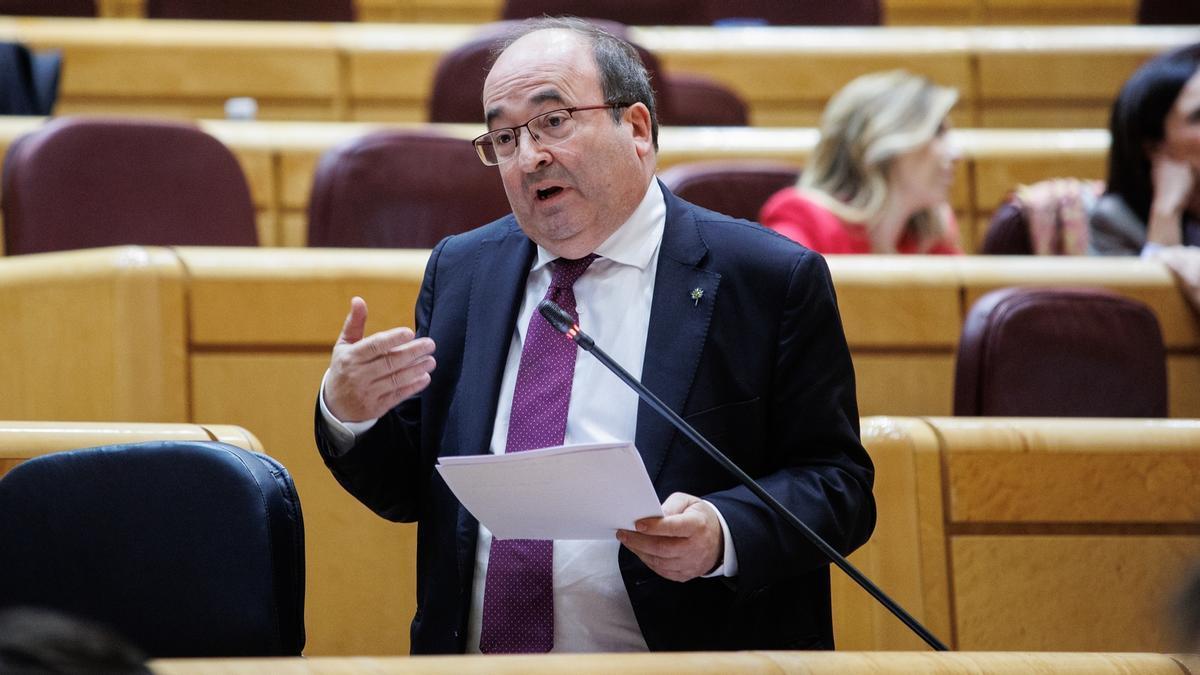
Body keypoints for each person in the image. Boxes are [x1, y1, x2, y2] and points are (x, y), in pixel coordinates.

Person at [315, 17, 875, 654]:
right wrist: (349, 415)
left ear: (635, 128)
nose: (529, 157)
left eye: (554, 121)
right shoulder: (463, 271)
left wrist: (723, 532)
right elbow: (412, 489)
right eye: (504, 137)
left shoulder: (766, 279)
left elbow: (838, 483)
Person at [759, 70, 961, 254]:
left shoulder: (934, 231)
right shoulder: (805, 221)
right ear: (886, 142)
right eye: (937, 132)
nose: (956, 154)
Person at [1090, 43, 1200, 255]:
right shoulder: (1116, 221)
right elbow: (1149, 289)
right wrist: (1167, 212)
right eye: (1198, 117)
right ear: (1152, 145)